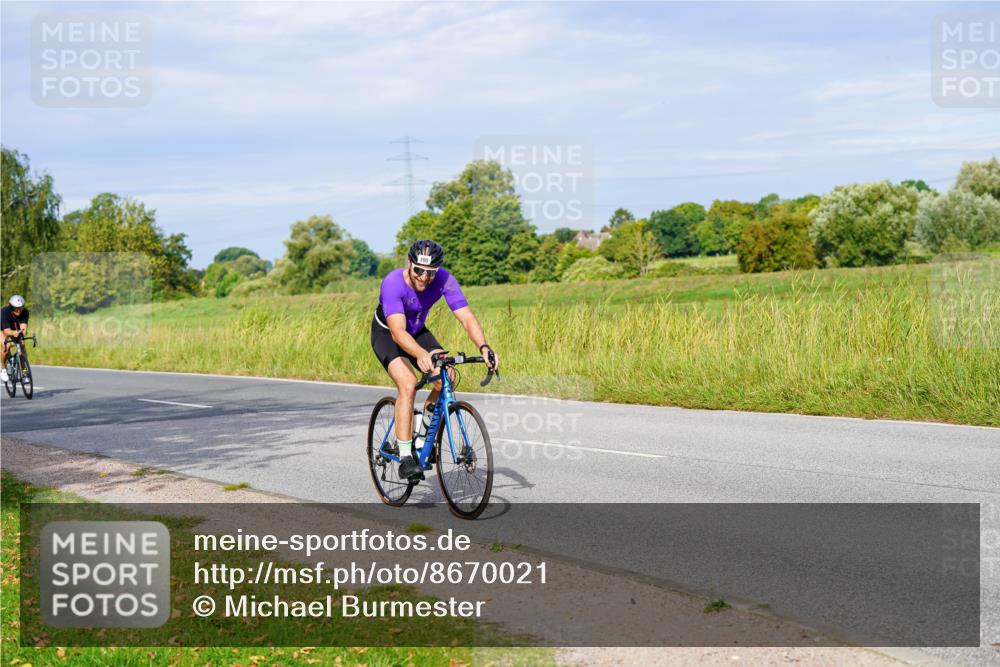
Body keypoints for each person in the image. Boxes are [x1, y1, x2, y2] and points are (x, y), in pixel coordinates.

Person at [371, 240, 498, 480]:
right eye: (418, 270)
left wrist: (483, 347)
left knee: (446, 376)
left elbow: (466, 318)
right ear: (409, 264)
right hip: (388, 333)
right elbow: (398, 332)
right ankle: (406, 457)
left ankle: (422, 432)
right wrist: (420, 354)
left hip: (417, 330)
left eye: (430, 272)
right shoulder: (393, 283)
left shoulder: (444, 280)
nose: (423, 277)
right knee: (407, 383)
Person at [1, 295, 29, 383]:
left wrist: (21, 334)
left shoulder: (25, 312)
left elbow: (23, 328)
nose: (19, 311)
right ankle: (3, 368)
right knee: (7, 346)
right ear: (11, 307)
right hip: (2, 329)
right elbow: (6, 331)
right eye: (16, 309)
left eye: (20, 308)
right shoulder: (4, 313)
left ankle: (25, 372)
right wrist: (14, 333)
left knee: (22, 345)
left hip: (14, 328)